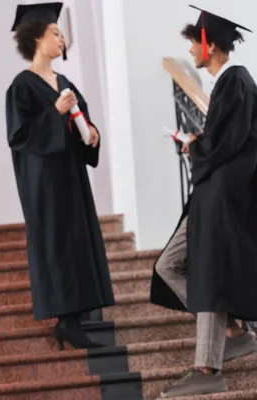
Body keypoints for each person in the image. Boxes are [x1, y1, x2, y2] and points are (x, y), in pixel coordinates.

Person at [151, 5, 257, 397]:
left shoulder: (236, 81)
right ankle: (234, 330)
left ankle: (208, 368)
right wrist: (197, 146)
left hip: (224, 197)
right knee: (170, 264)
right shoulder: (230, 83)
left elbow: (226, 144)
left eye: (194, 42)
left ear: (208, 43)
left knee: (209, 270)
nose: (191, 51)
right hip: (212, 195)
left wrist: (195, 145)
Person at [5, 2, 114, 350]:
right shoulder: (21, 86)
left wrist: (91, 134)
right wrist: (54, 113)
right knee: (57, 242)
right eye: (55, 32)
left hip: (70, 174)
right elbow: (19, 137)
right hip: (44, 182)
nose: (62, 38)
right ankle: (66, 320)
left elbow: (79, 120)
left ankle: (79, 317)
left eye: (62, 33)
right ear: (36, 37)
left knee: (78, 238)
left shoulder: (64, 81)